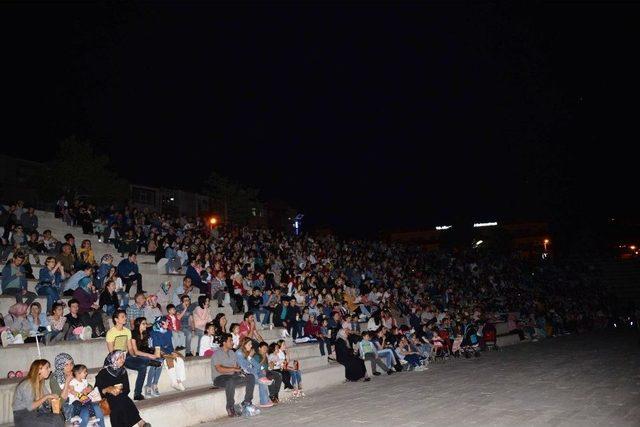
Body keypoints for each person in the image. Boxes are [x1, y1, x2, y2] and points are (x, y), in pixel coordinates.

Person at [95, 351, 152, 427]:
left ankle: (138, 422)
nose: (122, 360)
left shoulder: (123, 371)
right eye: (119, 358)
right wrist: (108, 389)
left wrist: (119, 390)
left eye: (123, 358)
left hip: (120, 396)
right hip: (106, 397)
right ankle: (139, 421)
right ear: (113, 359)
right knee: (120, 401)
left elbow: (127, 389)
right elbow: (97, 389)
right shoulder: (103, 372)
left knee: (121, 399)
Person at [50, 353, 105, 427]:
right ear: (60, 365)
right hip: (70, 405)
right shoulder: (55, 378)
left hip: (83, 400)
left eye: (71, 364)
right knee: (85, 415)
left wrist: (89, 389)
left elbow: (87, 385)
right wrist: (67, 381)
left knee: (96, 408)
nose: (70, 367)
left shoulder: (76, 373)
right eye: (66, 365)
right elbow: (59, 400)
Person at [105, 310, 149, 401]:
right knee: (144, 365)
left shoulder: (127, 331)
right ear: (116, 319)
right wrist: (120, 360)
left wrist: (134, 356)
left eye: (125, 316)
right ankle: (137, 393)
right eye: (123, 317)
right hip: (117, 359)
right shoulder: (111, 333)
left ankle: (137, 394)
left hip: (127, 356)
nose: (125, 318)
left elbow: (130, 348)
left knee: (144, 363)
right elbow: (111, 352)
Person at [211, 333, 257, 417]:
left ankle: (247, 402)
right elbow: (219, 369)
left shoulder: (232, 352)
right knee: (230, 381)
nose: (232, 342)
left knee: (250, 377)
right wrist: (234, 369)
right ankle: (230, 407)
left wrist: (240, 371)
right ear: (224, 343)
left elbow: (236, 367)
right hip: (219, 378)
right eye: (230, 341)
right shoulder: (217, 354)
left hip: (232, 376)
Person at [12, 359, 65, 427]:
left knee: (59, 418)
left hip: (35, 414)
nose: (50, 370)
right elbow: (30, 407)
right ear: (39, 369)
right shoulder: (27, 384)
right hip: (22, 416)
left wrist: (55, 401)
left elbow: (49, 398)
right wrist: (47, 397)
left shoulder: (41, 383)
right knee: (53, 423)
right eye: (47, 367)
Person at [150, 316, 187, 391]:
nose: (168, 323)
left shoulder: (168, 332)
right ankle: (174, 382)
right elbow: (156, 347)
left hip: (168, 351)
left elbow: (170, 345)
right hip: (159, 352)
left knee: (179, 360)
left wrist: (172, 352)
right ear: (160, 323)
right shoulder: (154, 333)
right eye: (166, 321)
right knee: (169, 360)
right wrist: (167, 354)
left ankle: (179, 381)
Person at [130, 317, 163, 398]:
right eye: (143, 324)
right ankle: (148, 386)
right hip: (137, 356)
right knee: (153, 362)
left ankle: (154, 384)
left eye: (146, 323)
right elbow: (135, 351)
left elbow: (149, 346)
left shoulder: (146, 333)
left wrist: (156, 352)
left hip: (146, 353)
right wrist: (149, 355)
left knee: (160, 360)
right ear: (138, 325)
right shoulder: (133, 334)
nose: (146, 325)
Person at [236, 337, 274, 408]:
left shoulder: (247, 352)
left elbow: (256, 365)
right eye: (249, 344)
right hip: (242, 374)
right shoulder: (239, 353)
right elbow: (245, 368)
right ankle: (264, 401)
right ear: (244, 344)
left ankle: (265, 400)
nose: (251, 346)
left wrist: (262, 369)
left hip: (251, 372)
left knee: (262, 375)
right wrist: (249, 357)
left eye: (251, 344)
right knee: (260, 378)